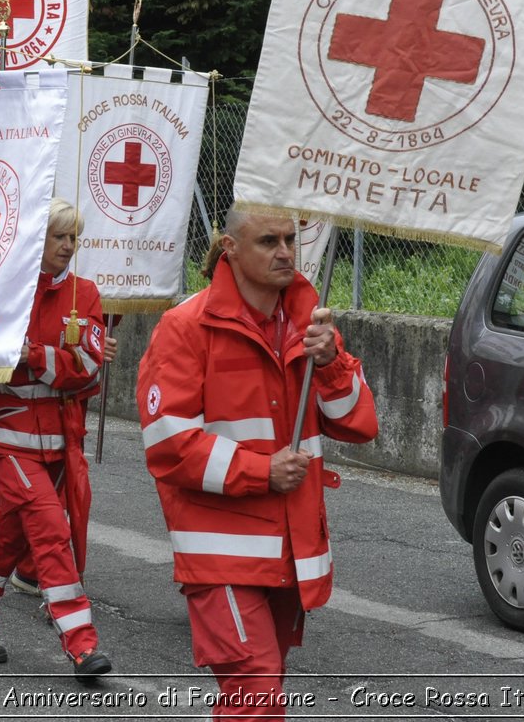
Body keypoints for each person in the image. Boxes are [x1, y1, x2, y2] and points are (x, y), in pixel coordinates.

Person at [136, 208, 378, 718]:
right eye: (268, 240)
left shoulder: (310, 328)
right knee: (258, 695)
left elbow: (359, 424)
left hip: (289, 549)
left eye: (291, 238)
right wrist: (261, 471)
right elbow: (168, 442)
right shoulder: (184, 327)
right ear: (230, 248)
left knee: (255, 697)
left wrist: (332, 363)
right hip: (221, 553)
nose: (286, 251)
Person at [0, 199, 112, 680]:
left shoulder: (87, 293)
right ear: (34, 241)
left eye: (73, 238)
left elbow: (89, 370)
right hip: (8, 439)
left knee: (6, 538)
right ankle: (82, 645)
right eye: (58, 237)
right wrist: (54, 362)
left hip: (61, 441)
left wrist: (34, 355)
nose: (68, 246)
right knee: (50, 530)